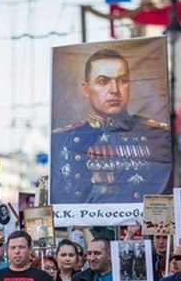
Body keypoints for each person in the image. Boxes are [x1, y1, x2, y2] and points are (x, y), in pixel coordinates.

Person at [51, 48, 172, 203]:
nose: (114, 90)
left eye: (122, 81)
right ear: (86, 89)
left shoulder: (155, 135)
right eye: (103, 81)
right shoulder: (63, 139)